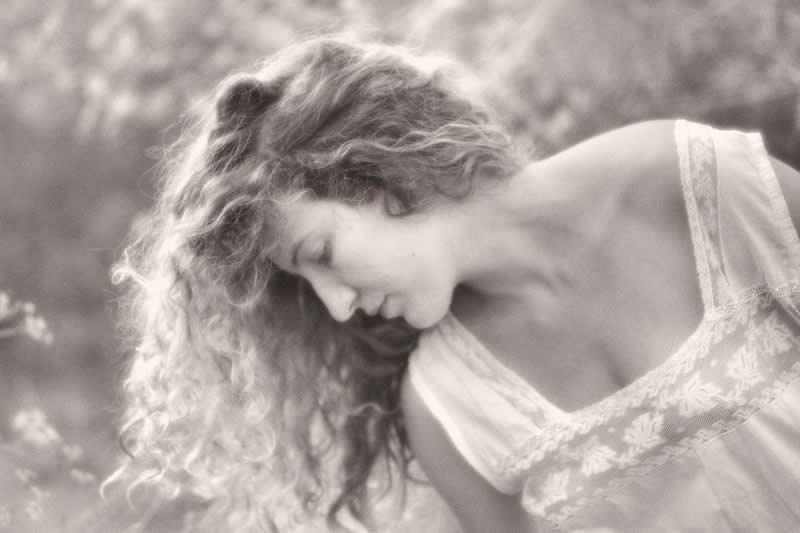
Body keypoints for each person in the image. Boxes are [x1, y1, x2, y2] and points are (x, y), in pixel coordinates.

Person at [107, 34, 800, 533]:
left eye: (320, 252)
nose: (338, 304)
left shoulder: (687, 182)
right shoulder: (448, 409)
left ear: (377, 169)